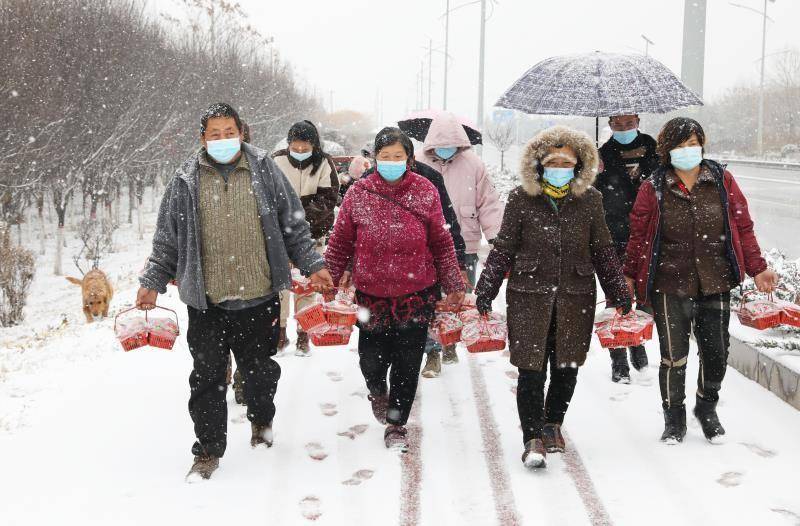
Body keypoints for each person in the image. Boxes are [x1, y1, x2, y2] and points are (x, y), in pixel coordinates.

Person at [137, 103, 334, 480]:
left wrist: (314, 265)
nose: (223, 140)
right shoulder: (185, 180)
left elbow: (294, 226)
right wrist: (151, 282)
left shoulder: (264, 170)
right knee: (207, 379)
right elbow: (167, 240)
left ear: (241, 133)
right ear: (202, 138)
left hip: (258, 297)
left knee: (259, 372)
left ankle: (262, 420)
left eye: (229, 132)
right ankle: (208, 450)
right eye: (215, 133)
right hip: (206, 303)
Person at [475, 126, 631, 469]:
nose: (559, 166)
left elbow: (603, 250)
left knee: (567, 366)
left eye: (567, 160)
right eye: (552, 160)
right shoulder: (521, 198)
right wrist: (485, 290)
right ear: (539, 163)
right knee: (530, 369)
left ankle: (552, 423)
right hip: (528, 295)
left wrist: (618, 291)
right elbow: (504, 249)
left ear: (579, 165)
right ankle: (532, 437)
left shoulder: (591, 200)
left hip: (576, 296)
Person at [624, 117, 778, 444]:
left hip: (715, 278)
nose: (689, 150)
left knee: (717, 352)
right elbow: (638, 236)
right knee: (673, 355)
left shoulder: (721, 180)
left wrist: (758, 267)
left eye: (694, 143)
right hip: (669, 282)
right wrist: (627, 275)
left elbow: (743, 227)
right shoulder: (653, 187)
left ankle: (706, 407)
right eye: (681, 145)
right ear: (668, 151)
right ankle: (674, 416)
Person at [325, 127, 465, 451]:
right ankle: (377, 391)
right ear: (375, 159)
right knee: (370, 360)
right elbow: (340, 241)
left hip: (416, 293)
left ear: (409, 159)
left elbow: (441, 242)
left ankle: (397, 421)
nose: (390, 162)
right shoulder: (358, 193)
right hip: (370, 294)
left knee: (407, 361)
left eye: (397, 157)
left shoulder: (425, 191)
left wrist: (453, 283)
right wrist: (328, 279)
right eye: (384, 157)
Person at [416, 112, 504, 372]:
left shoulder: (473, 164)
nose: (445, 149)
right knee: (431, 300)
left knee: (459, 298)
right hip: (428, 246)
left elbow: (488, 202)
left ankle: (451, 341)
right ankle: (432, 350)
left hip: (464, 243)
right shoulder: (419, 163)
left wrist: (496, 236)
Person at [595, 114, 659, 383]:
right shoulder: (601, 155)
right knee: (615, 295)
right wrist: (591, 173)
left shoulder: (655, 150)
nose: (623, 129)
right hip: (614, 233)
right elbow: (592, 193)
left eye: (628, 124)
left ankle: (637, 341)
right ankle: (618, 358)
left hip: (647, 234)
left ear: (637, 120)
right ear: (609, 125)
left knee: (642, 295)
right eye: (617, 125)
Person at [272, 121, 340, 355]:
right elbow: (268, 197)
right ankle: (279, 333)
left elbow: (328, 199)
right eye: (296, 147)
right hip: (279, 238)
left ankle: (304, 333)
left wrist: (300, 220)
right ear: (289, 144)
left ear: (314, 145)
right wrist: (285, 223)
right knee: (280, 286)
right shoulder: (276, 161)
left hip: (313, 237)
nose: (300, 152)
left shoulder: (324, 163)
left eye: (305, 148)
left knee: (309, 286)